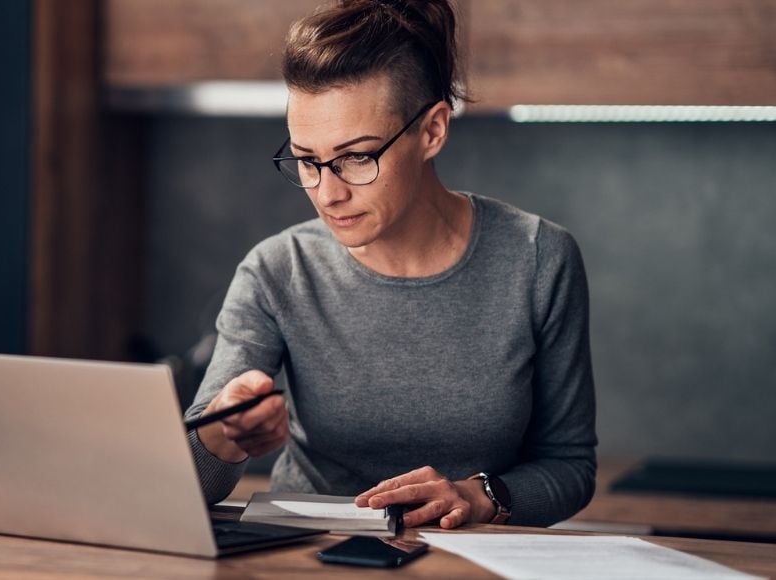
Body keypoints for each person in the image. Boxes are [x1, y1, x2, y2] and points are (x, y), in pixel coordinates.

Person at [184, 0, 597, 529]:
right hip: (305, 557)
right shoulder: (276, 270)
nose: (327, 193)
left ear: (432, 131)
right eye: (307, 160)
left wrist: (480, 496)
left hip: (469, 559)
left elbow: (570, 466)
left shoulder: (538, 259)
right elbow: (191, 483)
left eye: (357, 157)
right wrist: (225, 433)